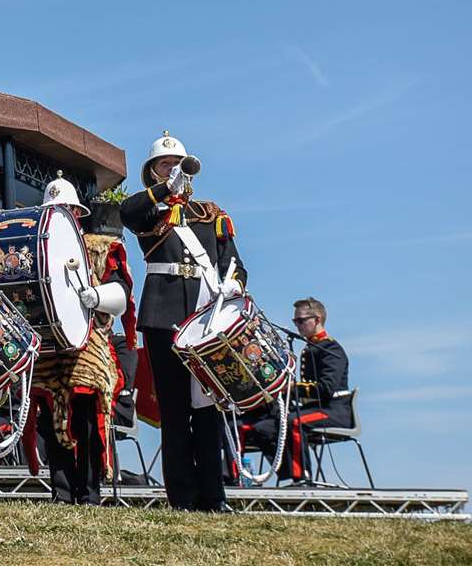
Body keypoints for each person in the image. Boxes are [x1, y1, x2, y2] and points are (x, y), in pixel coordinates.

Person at [120, 132, 246, 513]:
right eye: (165, 164)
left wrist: (232, 283)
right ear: (152, 172)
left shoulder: (211, 213)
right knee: (174, 410)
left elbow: (235, 263)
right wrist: (163, 191)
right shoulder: (150, 209)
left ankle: (214, 495)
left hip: (205, 317)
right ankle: (183, 497)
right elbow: (128, 213)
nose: (174, 169)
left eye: (179, 164)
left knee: (208, 409)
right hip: (164, 317)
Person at [27, 176, 134, 505]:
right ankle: (60, 491)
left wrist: (97, 296)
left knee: (86, 421)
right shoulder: (33, 251)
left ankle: (88, 492)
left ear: (77, 212)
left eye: (65, 209)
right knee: (50, 422)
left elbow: (122, 293)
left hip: (88, 349)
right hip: (48, 350)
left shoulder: (101, 248)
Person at [241, 297, 352, 483]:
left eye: (301, 320)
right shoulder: (310, 349)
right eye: (295, 321)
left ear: (317, 320)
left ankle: (302, 478)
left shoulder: (331, 348)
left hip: (334, 410)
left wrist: (290, 388)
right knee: (263, 427)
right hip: (314, 408)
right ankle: (288, 474)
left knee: (294, 422)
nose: (297, 325)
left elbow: (325, 389)